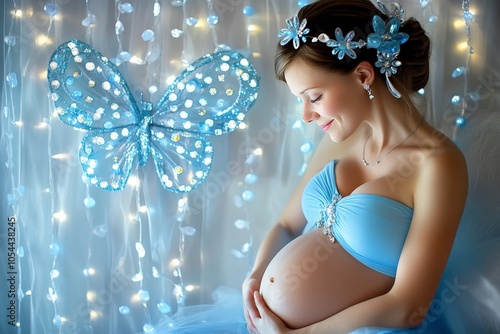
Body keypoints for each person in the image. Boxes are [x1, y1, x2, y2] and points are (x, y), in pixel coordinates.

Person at [241, 0, 468, 333]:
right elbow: (287, 226)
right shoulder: (341, 138)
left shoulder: (437, 164)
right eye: (299, 100)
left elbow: (409, 306)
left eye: (314, 97)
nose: (306, 115)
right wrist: (255, 277)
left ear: (363, 75)